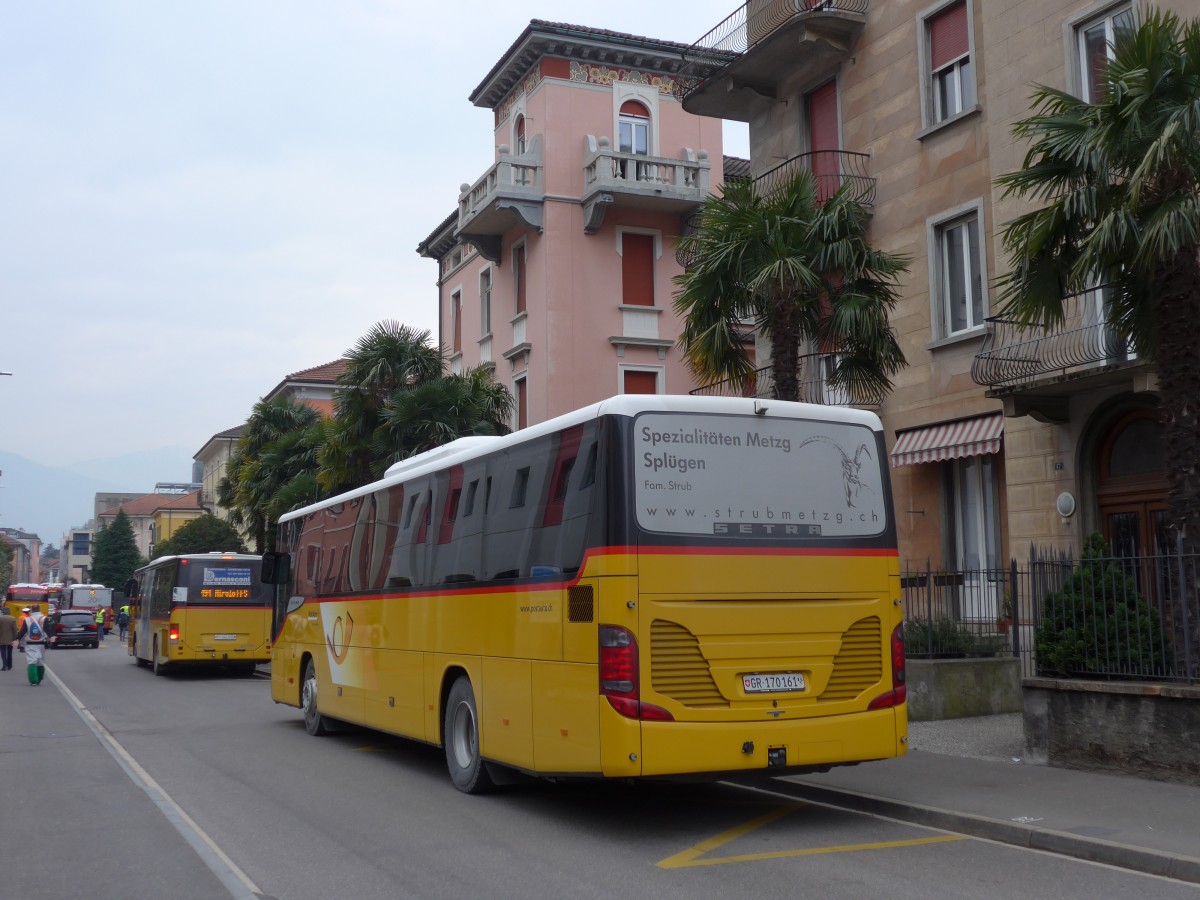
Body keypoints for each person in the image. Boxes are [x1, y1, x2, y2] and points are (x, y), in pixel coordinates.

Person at [16, 606, 47, 685]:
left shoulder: (27, 619)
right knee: (40, 662)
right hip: (41, 644)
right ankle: (39, 678)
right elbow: (48, 629)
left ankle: (33, 680)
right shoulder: (44, 618)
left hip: (30, 644)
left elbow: (22, 631)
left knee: (31, 661)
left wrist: (17, 640)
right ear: (39, 609)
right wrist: (52, 636)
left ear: (32, 610)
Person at [0, 605, 17, 671]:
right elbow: (15, 629)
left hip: (2, 638)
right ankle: (9, 665)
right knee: (10, 652)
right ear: (9, 612)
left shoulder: (0, 619)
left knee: (3, 652)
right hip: (11, 638)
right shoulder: (13, 618)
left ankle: (4, 665)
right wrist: (15, 638)